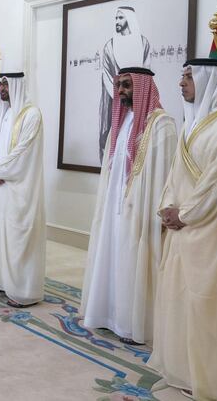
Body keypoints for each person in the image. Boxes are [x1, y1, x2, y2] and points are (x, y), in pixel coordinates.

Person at [149, 59, 217, 401]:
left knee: (209, 305)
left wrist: (185, 214)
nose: (181, 83)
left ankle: (210, 379)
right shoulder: (193, 124)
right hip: (183, 230)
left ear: (210, 80)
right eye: (182, 76)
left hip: (213, 234)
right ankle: (182, 370)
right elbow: (177, 173)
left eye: (189, 76)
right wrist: (167, 207)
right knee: (179, 301)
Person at [80, 67, 176, 343]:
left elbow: (164, 176)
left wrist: (150, 211)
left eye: (127, 85)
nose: (120, 91)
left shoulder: (162, 125)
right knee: (111, 256)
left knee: (134, 261)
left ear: (143, 87)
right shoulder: (121, 122)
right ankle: (108, 314)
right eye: (119, 85)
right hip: (114, 206)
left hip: (141, 209)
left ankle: (132, 324)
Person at [0, 72, 46, 307]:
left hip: (19, 189)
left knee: (18, 238)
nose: (3, 88)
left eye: (7, 84)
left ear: (18, 85)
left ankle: (23, 291)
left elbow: (23, 153)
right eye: (1, 84)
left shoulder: (31, 115)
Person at [99, 7, 152, 161]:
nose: (117, 21)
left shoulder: (143, 43)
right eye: (116, 18)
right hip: (114, 100)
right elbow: (108, 75)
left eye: (120, 18)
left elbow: (145, 73)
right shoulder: (110, 46)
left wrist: (136, 93)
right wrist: (118, 95)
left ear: (129, 19)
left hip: (138, 101)